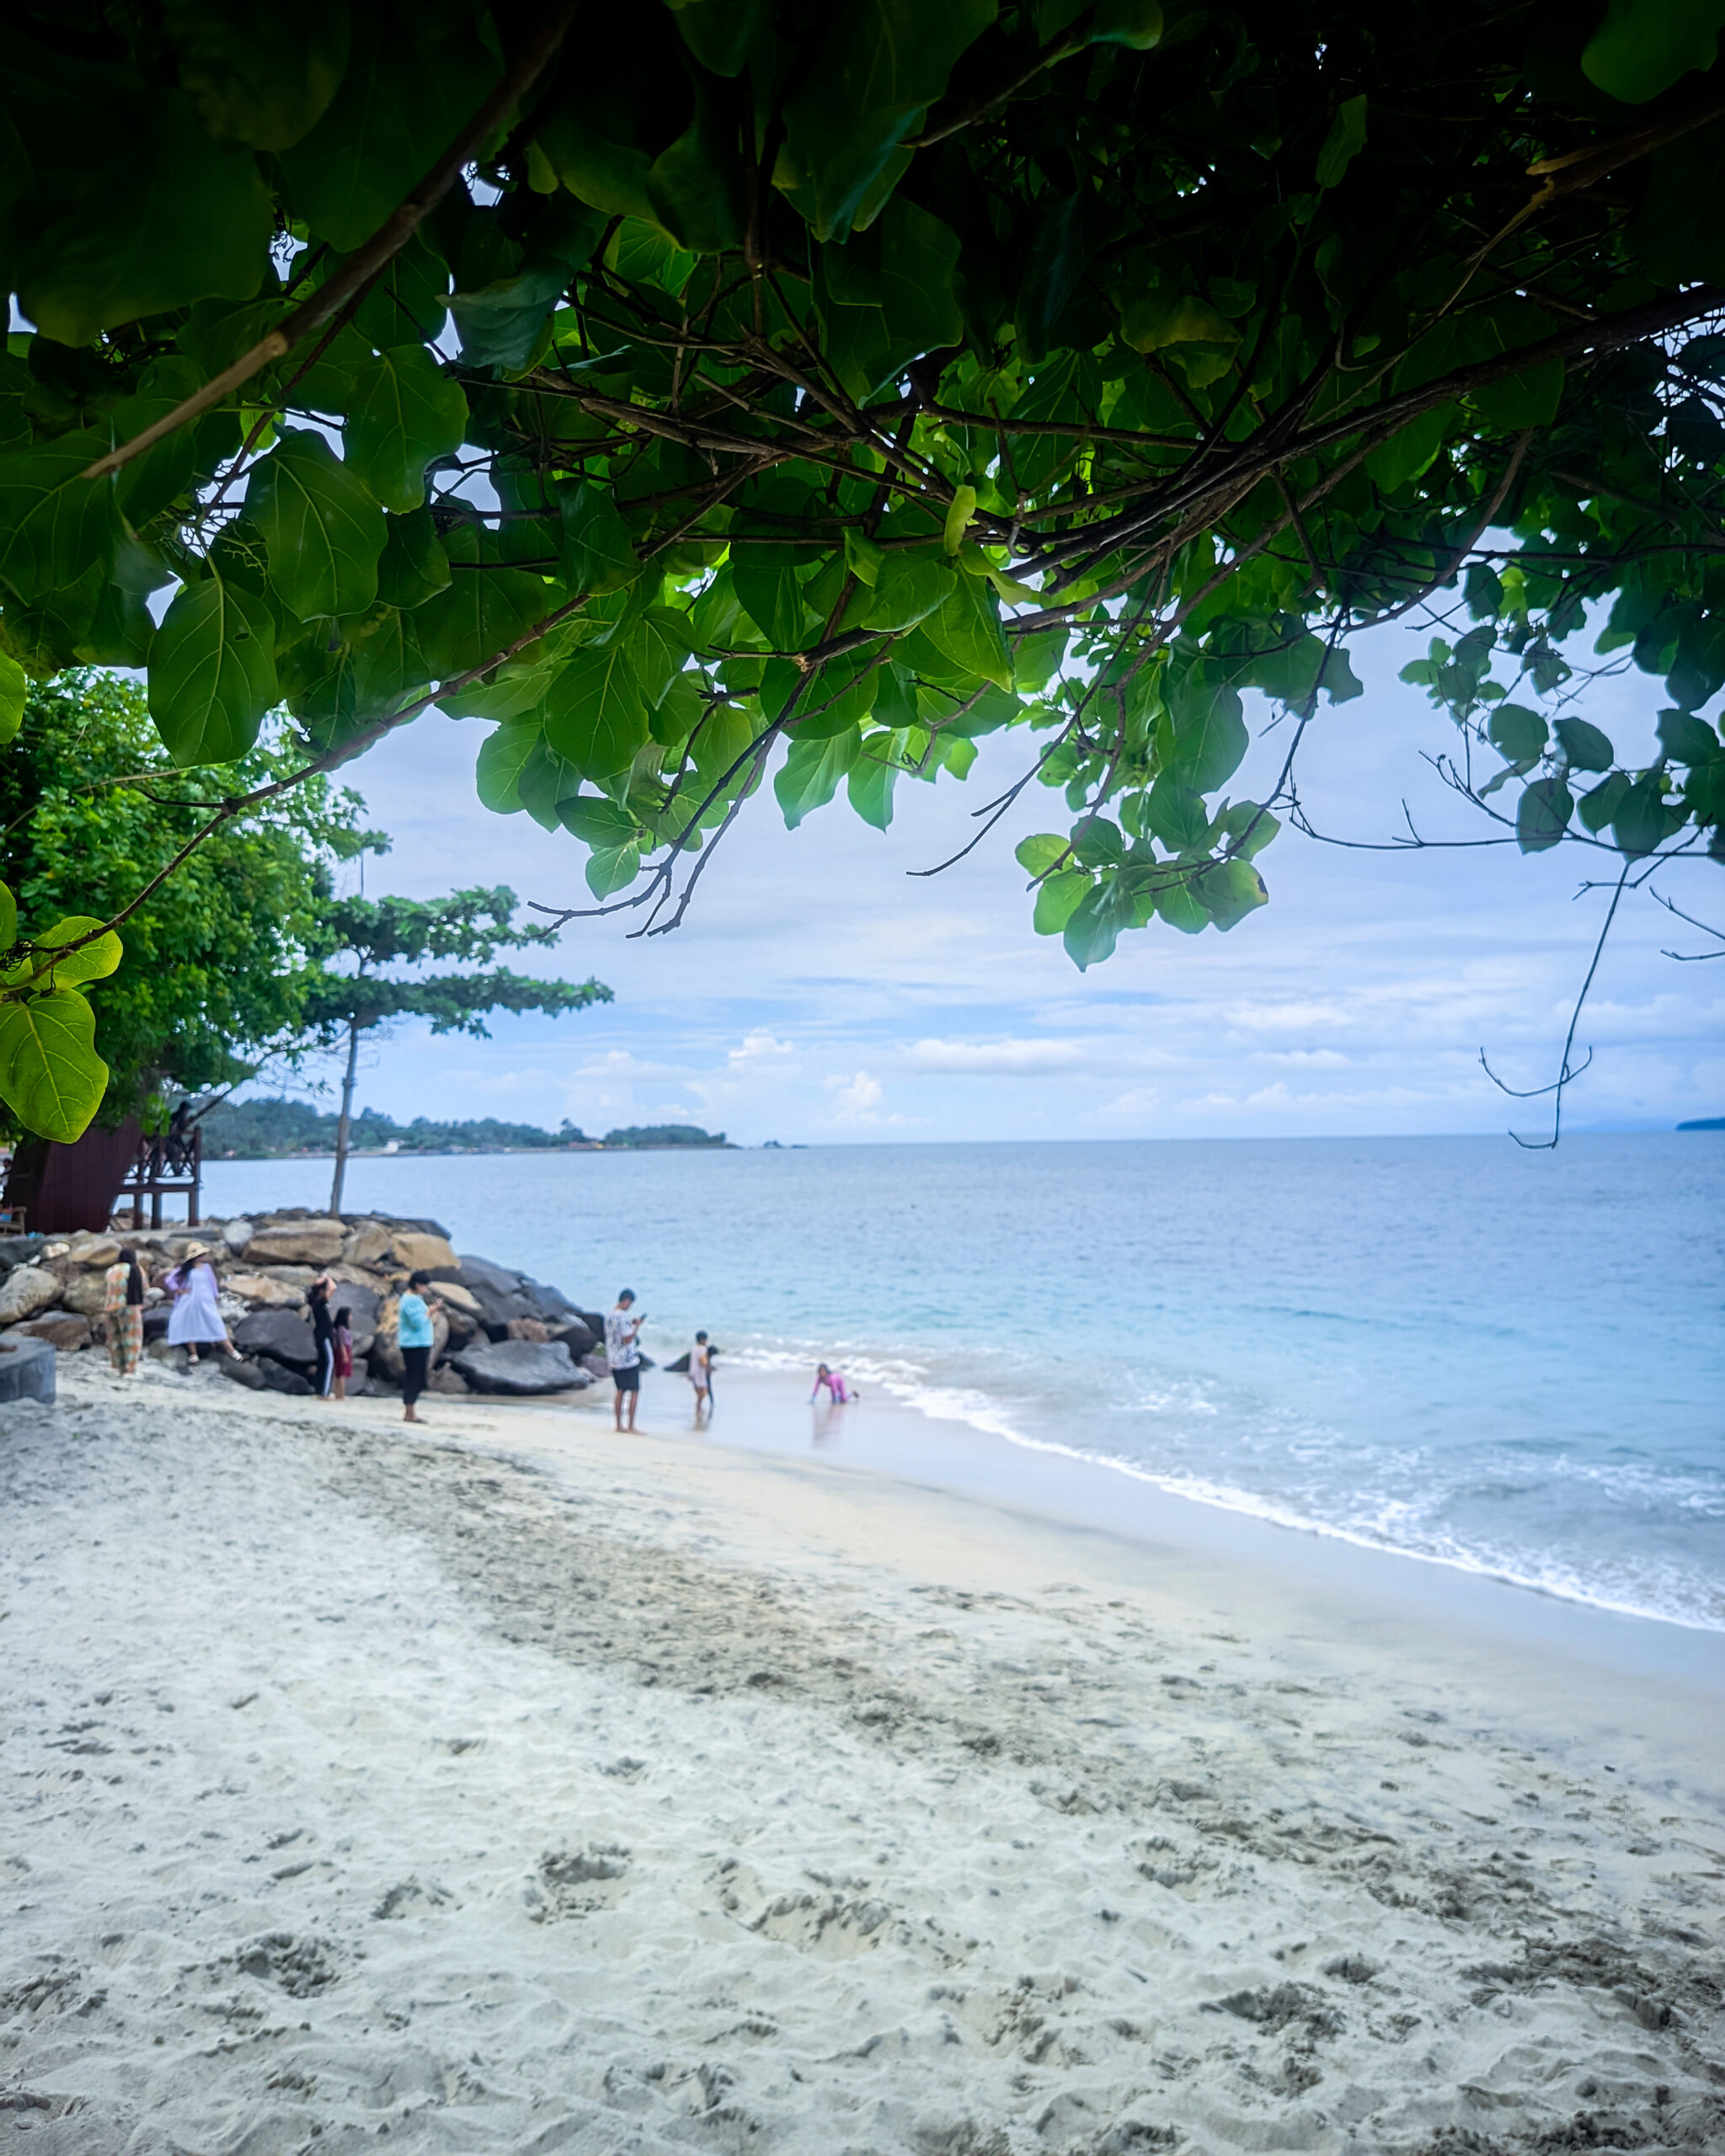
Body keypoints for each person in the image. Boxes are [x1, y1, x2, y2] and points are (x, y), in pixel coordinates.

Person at [164, 1246, 234, 1363]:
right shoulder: (186, 1269)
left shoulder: (207, 1268)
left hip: (205, 1300)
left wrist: (215, 1296)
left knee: (216, 1323)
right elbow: (169, 1279)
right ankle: (193, 1354)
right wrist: (178, 1290)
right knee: (190, 1325)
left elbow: (212, 1283)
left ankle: (232, 1351)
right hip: (190, 1300)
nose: (202, 1258)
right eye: (199, 1256)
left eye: (202, 1255)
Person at [397, 1271, 442, 1424]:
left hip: (418, 1343)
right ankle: (410, 1413)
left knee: (416, 1377)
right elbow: (417, 1323)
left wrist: (428, 1310)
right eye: (424, 1286)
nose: (426, 1289)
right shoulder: (410, 1300)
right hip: (414, 1344)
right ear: (417, 1285)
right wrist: (430, 1312)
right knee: (414, 1377)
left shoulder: (413, 1298)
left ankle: (410, 1411)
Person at [102, 1246, 146, 1377]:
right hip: (128, 1306)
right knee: (132, 1338)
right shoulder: (136, 1269)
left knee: (115, 1339)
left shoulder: (111, 1270)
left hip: (110, 1307)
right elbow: (144, 1287)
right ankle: (130, 1368)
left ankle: (118, 1368)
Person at [605, 1289, 644, 1432]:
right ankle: (631, 1426)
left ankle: (618, 1425)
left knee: (620, 1390)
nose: (630, 1307)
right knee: (634, 1391)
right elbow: (627, 1339)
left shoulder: (609, 1315)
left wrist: (630, 1323)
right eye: (630, 1304)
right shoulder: (622, 1317)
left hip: (614, 1358)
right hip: (627, 1359)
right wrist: (636, 1327)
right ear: (626, 1301)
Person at [307, 1274, 335, 1399]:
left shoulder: (313, 1301)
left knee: (322, 1363)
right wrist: (327, 1278)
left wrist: (319, 1282)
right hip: (324, 1335)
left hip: (319, 1334)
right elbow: (334, 1287)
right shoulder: (320, 1302)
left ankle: (319, 1391)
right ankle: (325, 1393)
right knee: (329, 1362)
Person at [688, 1331, 713, 1425]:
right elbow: (703, 1361)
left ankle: (699, 1408)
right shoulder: (703, 1349)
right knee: (702, 1392)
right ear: (703, 1340)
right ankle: (698, 1409)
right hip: (700, 1374)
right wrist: (709, 1369)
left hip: (693, 1372)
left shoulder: (694, 1349)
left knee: (698, 1392)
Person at [331, 1305, 354, 1402]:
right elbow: (341, 1343)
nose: (351, 1317)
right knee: (341, 1374)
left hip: (343, 1350)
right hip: (343, 1350)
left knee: (339, 1374)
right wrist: (344, 1354)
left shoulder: (341, 1328)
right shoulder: (341, 1329)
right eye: (350, 1315)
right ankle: (341, 1395)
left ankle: (338, 1394)